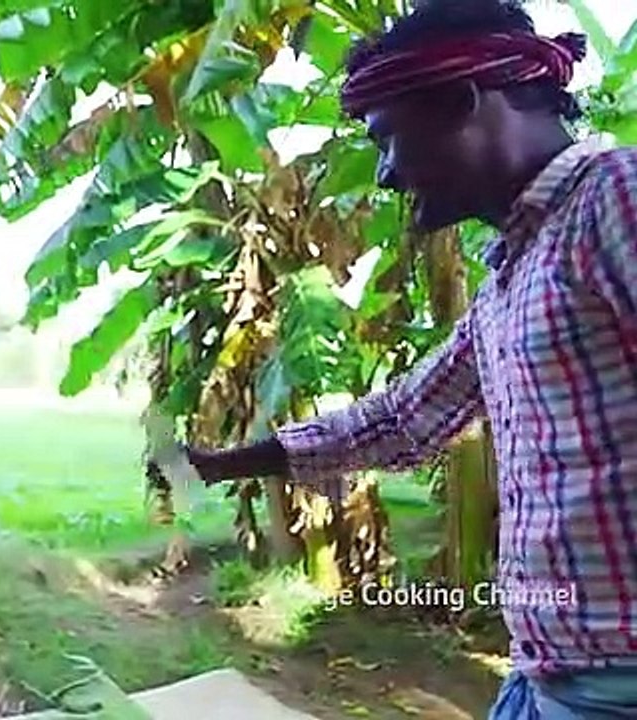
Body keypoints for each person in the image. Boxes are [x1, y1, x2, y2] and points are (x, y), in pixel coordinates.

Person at [176, 1, 637, 717]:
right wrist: (217, 464)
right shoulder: (516, 270)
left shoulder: (618, 198)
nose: (387, 175)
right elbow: (403, 420)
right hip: (547, 679)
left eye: (391, 140)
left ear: (463, 102)